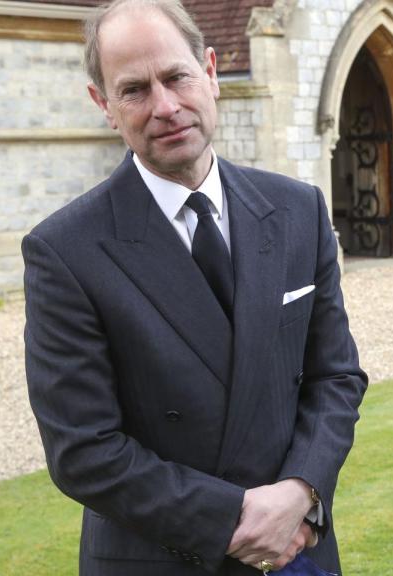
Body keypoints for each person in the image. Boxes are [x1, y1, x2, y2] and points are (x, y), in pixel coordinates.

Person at [22, 1, 367, 574]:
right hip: (162, 557)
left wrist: (301, 491)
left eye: (176, 76)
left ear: (209, 71)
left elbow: (336, 376)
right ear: (103, 105)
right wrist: (235, 519)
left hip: (298, 548)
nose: (165, 106)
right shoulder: (65, 251)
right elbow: (83, 450)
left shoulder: (298, 210)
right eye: (134, 90)